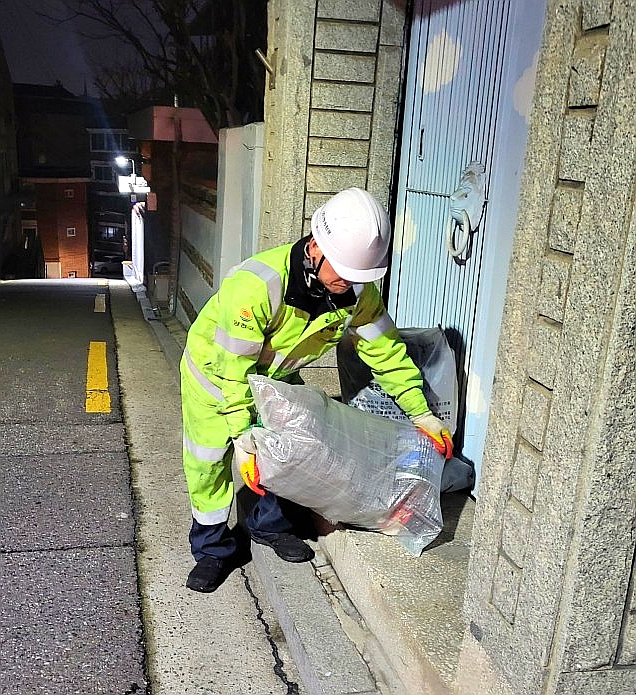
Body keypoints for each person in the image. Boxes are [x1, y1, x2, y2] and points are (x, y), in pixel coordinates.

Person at [180, 187, 453, 593]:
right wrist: (242, 435)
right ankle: (212, 549)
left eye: (358, 277)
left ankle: (268, 525)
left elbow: (386, 353)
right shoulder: (257, 286)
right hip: (216, 378)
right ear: (314, 248)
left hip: (275, 377)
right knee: (208, 462)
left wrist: (421, 413)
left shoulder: (358, 291)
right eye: (341, 272)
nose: (347, 284)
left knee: (292, 451)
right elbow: (232, 368)